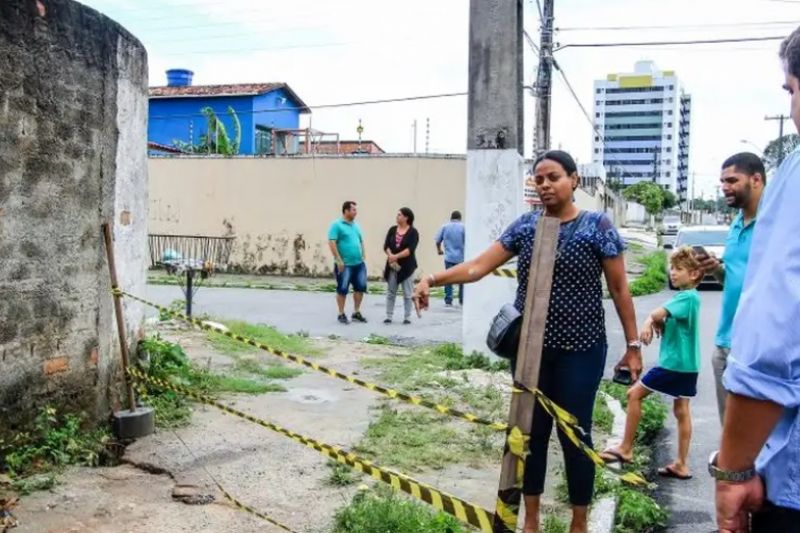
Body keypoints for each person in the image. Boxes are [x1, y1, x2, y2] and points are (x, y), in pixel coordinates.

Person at [413, 150, 641, 533]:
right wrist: (432, 280)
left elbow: (619, 288)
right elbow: (477, 267)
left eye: (554, 177)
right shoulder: (526, 226)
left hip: (581, 351)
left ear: (574, 181)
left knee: (576, 435)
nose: (546, 185)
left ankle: (579, 522)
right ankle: (530, 520)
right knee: (529, 434)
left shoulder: (597, 227)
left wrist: (633, 346)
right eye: (539, 179)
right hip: (530, 351)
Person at [714, 27, 800, 532]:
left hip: (768, 402)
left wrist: (734, 469)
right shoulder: (734, 230)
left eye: (791, 90)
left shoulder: (792, 180)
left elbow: (777, 330)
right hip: (734, 355)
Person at [600, 247, 703, 480]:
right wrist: (659, 322)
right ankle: (681, 464)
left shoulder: (686, 297)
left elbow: (657, 313)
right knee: (681, 410)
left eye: (679, 269)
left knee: (634, 394)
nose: (672, 273)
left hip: (673, 364)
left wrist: (648, 323)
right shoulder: (692, 298)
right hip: (688, 365)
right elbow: (668, 319)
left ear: (695, 274)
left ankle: (625, 448)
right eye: (672, 268)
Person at [696, 153, 766, 423]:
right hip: (725, 344)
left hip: (759, 347)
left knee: (760, 436)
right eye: (722, 181)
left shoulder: (776, 223)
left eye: (732, 180)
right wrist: (714, 269)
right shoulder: (736, 223)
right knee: (729, 431)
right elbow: (733, 279)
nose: (724, 186)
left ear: (756, 179)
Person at [327, 201, 367, 324]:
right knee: (343, 288)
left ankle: (356, 312)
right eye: (353, 209)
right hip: (345, 264)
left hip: (359, 264)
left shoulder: (356, 225)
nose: (356, 212)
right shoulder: (337, 225)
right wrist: (338, 259)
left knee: (360, 287)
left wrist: (363, 253)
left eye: (356, 209)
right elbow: (332, 242)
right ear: (346, 211)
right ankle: (341, 313)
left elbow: (360, 240)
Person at [382, 207, 419, 324]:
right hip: (392, 266)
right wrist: (390, 255)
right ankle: (389, 316)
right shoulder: (392, 230)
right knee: (391, 292)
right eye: (397, 214)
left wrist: (396, 256)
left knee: (408, 293)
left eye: (399, 215)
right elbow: (386, 245)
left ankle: (407, 317)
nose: (397, 217)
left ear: (406, 217)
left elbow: (410, 249)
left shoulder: (413, 232)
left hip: (407, 267)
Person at [434, 210, 465, 305]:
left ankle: (448, 299)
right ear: (460, 218)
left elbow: (438, 240)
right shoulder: (464, 227)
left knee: (448, 278)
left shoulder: (445, 227)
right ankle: (462, 299)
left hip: (449, 257)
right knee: (462, 279)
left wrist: (439, 250)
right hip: (461, 258)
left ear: (451, 218)